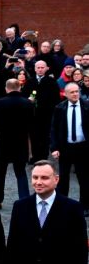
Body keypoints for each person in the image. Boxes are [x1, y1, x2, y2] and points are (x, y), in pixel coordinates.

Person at [0, 78, 34, 206]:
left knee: (0, 172)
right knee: (21, 172)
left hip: (4, 142)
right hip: (21, 142)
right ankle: (25, 201)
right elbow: (32, 124)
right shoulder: (27, 103)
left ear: (6, 88)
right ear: (20, 88)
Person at [50, 83, 88, 213]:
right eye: (72, 92)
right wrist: (54, 148)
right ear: (65, 94)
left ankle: (85, 205)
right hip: (65, 147)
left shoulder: (86, 106)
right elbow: (54, 129)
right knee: (63, 179)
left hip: (83, 147)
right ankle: (63, 205)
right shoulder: (60, 108)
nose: (75, 94)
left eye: (77, 91)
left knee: (84, 178)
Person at [27, 60, 61, 163]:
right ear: (35, 69)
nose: (40, 69)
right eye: (38, 67)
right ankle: (35, 156)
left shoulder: (52, 82)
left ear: (46, 68)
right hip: (33, 115)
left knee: (45, 137)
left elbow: (56, 99)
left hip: (46, 114)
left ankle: (43, 157)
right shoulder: (30, 81)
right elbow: (25, 96)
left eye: (42, 67)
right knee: (34, 136)